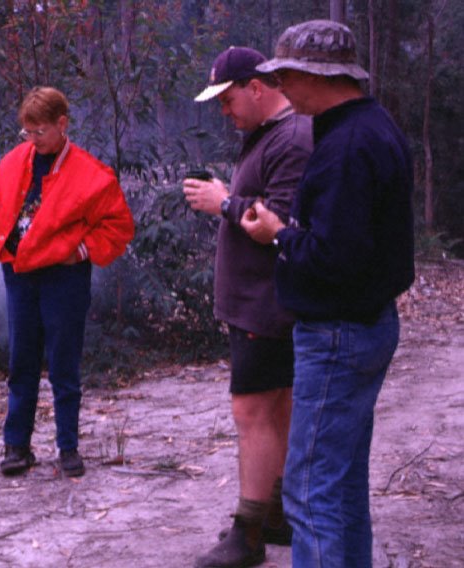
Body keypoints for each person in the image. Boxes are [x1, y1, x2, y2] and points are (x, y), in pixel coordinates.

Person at [241, 20, 415, 568]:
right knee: (340, 487)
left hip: (338, 332)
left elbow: (335, 260)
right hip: (367, 324)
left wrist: (278, 234)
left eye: (287, 76)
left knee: (310, 492)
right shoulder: (372, 125)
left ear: (316, 75)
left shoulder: (346, 145)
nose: (283, 89)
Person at [184, 47, 312, 568]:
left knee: (252, 412)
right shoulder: (269, 134)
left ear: (256, 88)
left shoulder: (293, 138)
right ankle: (276, 511)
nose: (224, 111)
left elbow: (278, 223)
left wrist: (224, 202)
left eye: (228, 98)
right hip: (263, 304)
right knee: (274, 408)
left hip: (268, 304)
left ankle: (248, 532)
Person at [0, 87, 134, 478]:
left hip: (63, 278)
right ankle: (16, 446)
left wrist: (81, 252)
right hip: (19, 273)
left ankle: (68, 447)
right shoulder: (15, 161)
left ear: (62, 124)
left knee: (64, 363)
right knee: (22, 360)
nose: (32, 140)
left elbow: (118, 227)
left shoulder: (92, 175)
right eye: (27, 132)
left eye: (40, 132)